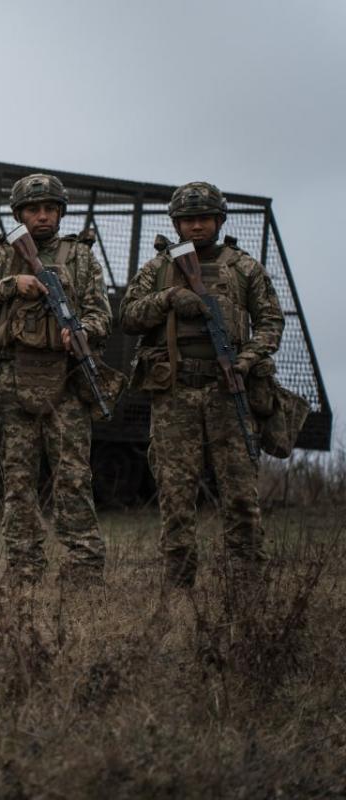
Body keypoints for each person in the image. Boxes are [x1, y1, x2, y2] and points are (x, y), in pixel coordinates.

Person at [121, 181, 283, 587]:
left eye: (205, 218)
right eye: (188, 219)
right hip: (175, 392)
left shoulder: (244, 267)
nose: (196, 226)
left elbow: (270, 323)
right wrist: (168, 298)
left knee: (240, 493)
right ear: (176, 223)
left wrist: (245, 361)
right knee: (175, 495)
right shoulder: (158, 269)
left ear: (219, 220)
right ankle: (179, 584)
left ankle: (246, 583)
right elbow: (128, 317)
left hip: (229, 390)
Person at [0, 174, 110, 585]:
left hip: (66, 379)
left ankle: (84, 567)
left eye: (49, 208)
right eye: (33, 209)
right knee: (17, 480)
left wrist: (83, 331)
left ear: (61, 212)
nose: (42, 216)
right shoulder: (0, 255)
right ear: (19, 214)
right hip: (12, 377)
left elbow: (102, 313)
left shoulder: (80, 257)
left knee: (73, 478)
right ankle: (24, 567)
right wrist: (13, 284)